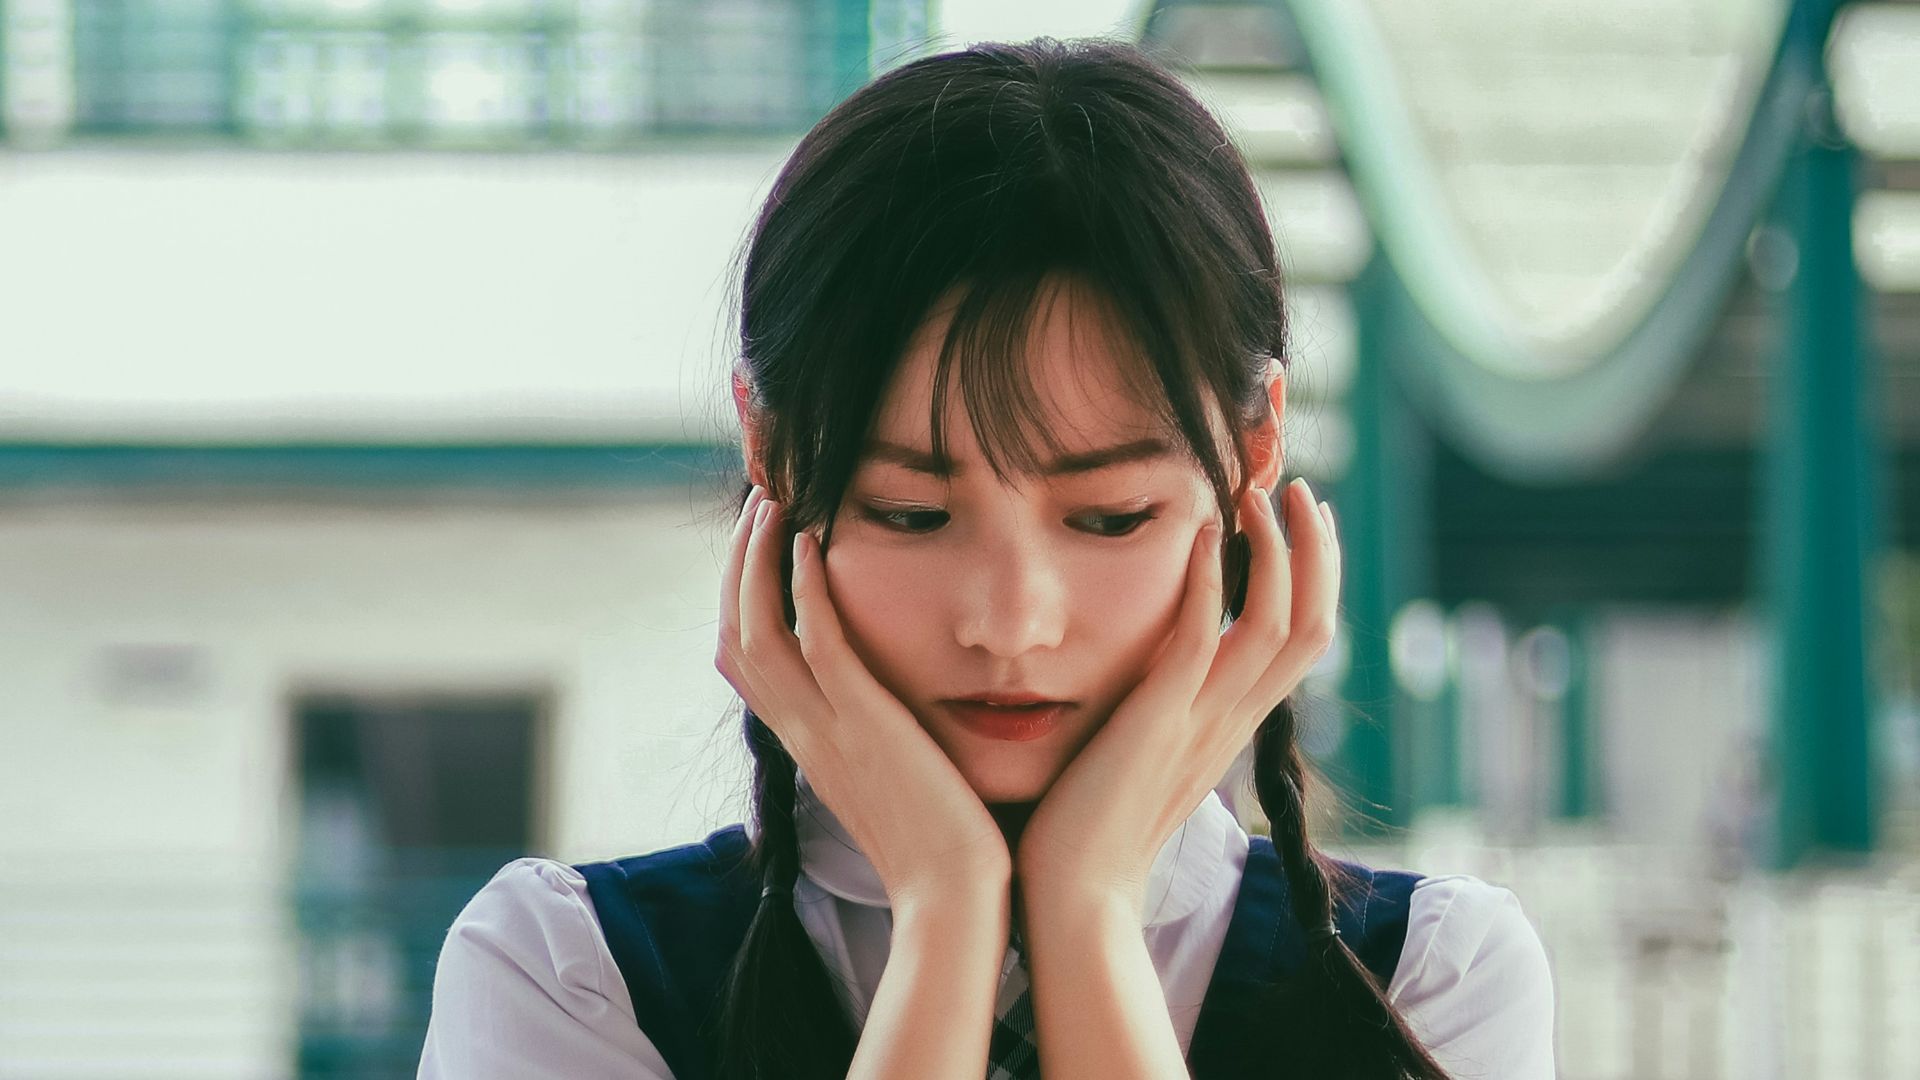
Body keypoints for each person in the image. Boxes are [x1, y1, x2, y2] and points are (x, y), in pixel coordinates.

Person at [418, 36, 1556, 1080]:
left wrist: (1088, 906)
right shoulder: (568, 976)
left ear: (1256, 448)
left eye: (1109, 518)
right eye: (912, 513)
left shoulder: (1427, 985)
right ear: (767, 450)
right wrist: (949, 906)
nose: (1011, 624)